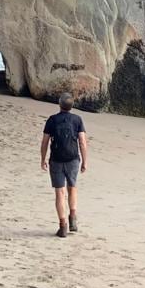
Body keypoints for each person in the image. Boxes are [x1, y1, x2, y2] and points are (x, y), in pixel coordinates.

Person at [39, 93, 88, 237]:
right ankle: (73, 218)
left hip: (56, 160)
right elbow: (83, 142)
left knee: (60, 192)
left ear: (59, 104)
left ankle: (63, 226)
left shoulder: (52, 120)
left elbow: (45, 142)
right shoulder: (77, 120)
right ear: (72, 106)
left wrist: (43, 159)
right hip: (73, 159)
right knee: (72, 188)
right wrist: (85, 161)